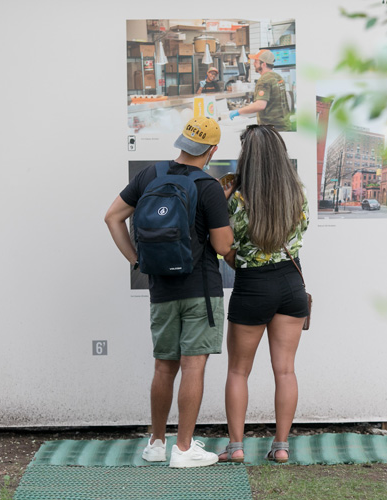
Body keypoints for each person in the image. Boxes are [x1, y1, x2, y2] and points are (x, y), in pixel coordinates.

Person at [104, 116, 233, 468]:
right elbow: (223, 246)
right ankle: (185, 448)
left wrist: (137, 261)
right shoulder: (208, 187)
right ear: (212, 150)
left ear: (182, 142)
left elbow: (112, 217)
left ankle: (157, 443)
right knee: (194, 366)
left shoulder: (150, 175)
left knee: (164, 367)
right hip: (200, 290)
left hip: (161, 287)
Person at [217, 125, 309, 464]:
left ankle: (236, 447)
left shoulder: (236, 198)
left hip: (252, 286)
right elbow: (302, 231)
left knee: (239, 371)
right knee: (285, 370)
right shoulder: (297, 193)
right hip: (290, 283)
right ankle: (281, 446)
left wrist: (236, 257)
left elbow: (223, 245)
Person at [229, 50, 292, 131]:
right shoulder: (278, 77)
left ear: (263, 64)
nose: (253, 64)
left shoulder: (264, 80)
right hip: (284, 125)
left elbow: (260, 105)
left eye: (256, 61)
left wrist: (238, 111)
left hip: (272, 129)